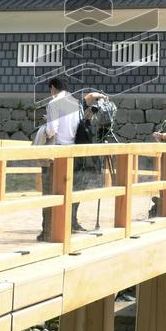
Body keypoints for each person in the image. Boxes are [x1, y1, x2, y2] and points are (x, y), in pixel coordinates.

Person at [34, 78, 106, 239]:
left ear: (53, 88)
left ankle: (48, 231)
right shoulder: (74, 103)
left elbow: (52, 130)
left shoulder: (54, 104)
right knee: (68, 193)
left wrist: (44, 132)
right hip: (72, 153)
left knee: (50, 193)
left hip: (56, 154)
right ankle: (66, 226)